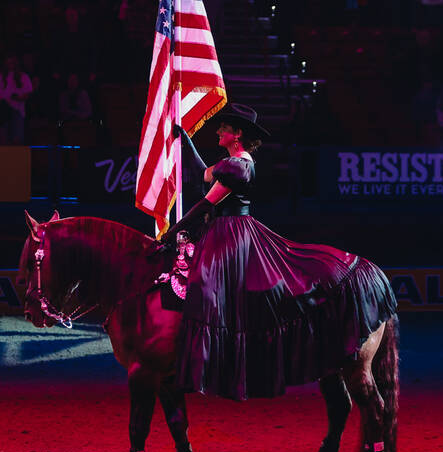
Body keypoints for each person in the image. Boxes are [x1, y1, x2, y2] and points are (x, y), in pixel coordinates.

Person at [159, 104, 395, 401]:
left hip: (231, 233)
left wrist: (171, 231)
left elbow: (206, 204)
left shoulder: (238, 166)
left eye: (223, 127)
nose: (217, 131)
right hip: (223, 229)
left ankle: (207, 364)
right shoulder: (229, 163)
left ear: (237, 134)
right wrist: (184, 141)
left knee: (206, 286)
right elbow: (202, 174)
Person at [0, 54, 33, 144]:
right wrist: (3, 103)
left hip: (17, 111)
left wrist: (17, 98)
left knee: (17, 139)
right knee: (3, 139)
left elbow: (27, 94)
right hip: (3, 112)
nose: (10, 65)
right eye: (8, 63)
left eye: (12, 62)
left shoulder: (24, 77)